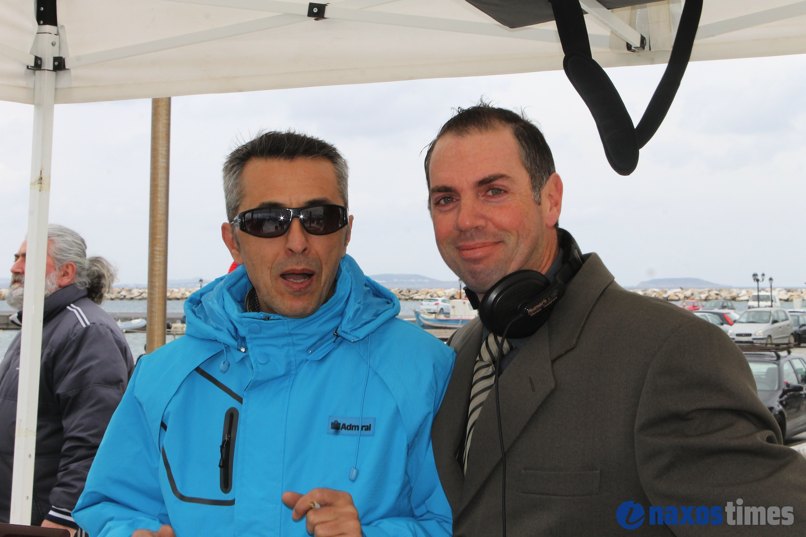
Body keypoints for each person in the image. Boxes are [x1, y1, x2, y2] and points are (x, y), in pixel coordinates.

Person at [423, 103, 806, 536]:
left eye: (493, 191)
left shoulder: (669, 351)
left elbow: (778, 520)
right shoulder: (463, 349)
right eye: (446, 199)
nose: (466, 220)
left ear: (551, 200)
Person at [73, 131, 454, 537]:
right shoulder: (160, 378)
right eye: (268, 222)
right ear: (233, 241)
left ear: (346, 233)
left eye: (319, 218)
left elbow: (458, 521)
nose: (297, 242)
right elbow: (113, 506)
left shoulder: (424, 370)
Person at [0, 224, 134, 536]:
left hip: (46, 522)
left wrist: (62, 518)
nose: (15, 267)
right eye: (16, 257)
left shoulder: (86, 332)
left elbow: (94, 439)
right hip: (17, 514)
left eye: (28, 258)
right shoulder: (37, 327)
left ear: (66, 272)